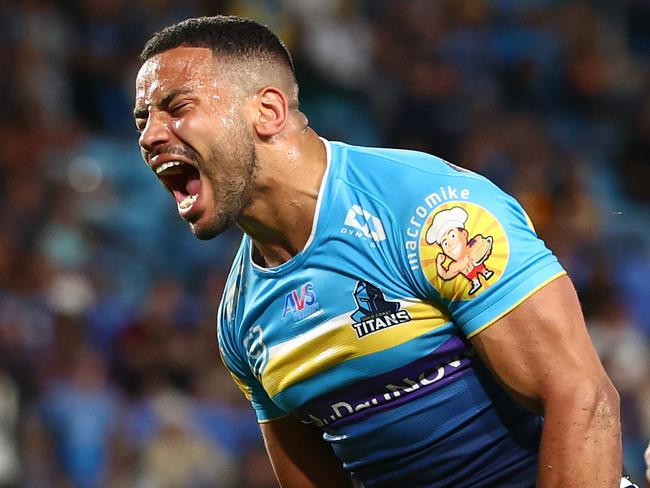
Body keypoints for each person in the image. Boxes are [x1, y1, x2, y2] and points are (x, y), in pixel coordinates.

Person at [134, 16, 629, 488]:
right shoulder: (241, 319)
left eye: (177, 108)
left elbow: (582, 399)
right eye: (142, 119)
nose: (150, 135)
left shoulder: (429, 213)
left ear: (268, 111)